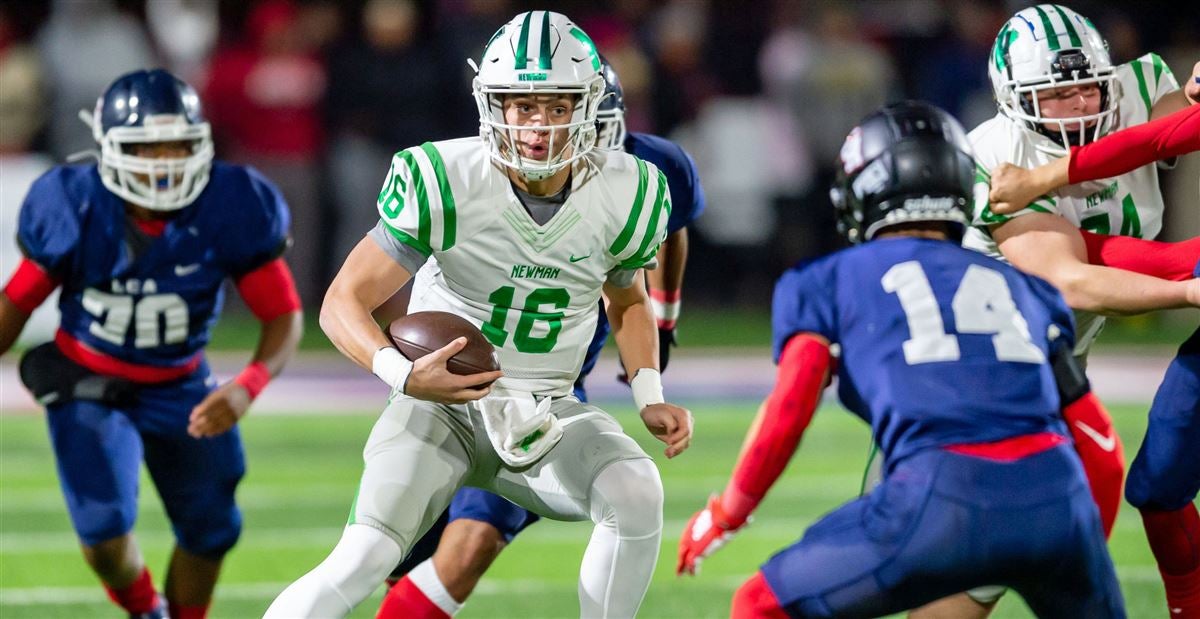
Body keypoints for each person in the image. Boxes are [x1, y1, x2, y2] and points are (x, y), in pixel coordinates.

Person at [263, 11, 693, 618]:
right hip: (439, 409)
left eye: (556, 105)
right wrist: (404, 375)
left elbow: (626, 297)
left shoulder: (630, 189)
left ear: (588, 105)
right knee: (361, 557)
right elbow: (342, 301)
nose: (539, 124)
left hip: (547, 409)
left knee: (637, 489)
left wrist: (648, 391)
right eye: (521, 106)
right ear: (492, 105)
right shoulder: (447, 178)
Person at [676, 100, 1125, 618]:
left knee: (758, 605)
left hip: (941, 493)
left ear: (865, 190)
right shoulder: (1024, 288)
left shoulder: (826, 279)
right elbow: (1102, 445)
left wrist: (727, 513)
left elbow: (790, 405)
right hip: (1057, 494)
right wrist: (1081, 543)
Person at [376, 55, 706, 618]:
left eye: (575, 119)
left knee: (470, 542)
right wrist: (405, 359)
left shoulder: (647, 172)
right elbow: (399, 268)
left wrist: (665, 319)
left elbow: (667, 238)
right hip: (473, 371)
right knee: (403, 550)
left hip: (546, 386)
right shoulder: (482, 170)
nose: (556, 141)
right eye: (536, 114)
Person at [0, 69, 303, 619]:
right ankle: (146, 609)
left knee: (212, 530)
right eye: (147, 147)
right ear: (110, 149)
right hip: (87, 378)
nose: (164, 163)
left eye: (178, 146)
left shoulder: (232, 201)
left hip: (181, 383)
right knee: (103, 537)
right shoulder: (75, 202)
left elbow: (283, 314)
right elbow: (15, 305)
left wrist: (247, 386)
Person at [961, 5, 1200, 615]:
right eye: (1055, 92)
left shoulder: (1139, 84)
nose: (1077, 105)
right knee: (986, 567)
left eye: (1085, 86)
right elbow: (1071, 278)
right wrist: (1187, 283)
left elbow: (1179, 132)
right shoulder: (994, 152)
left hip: (1063, 373)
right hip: (988, 384)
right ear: (1014, 98)